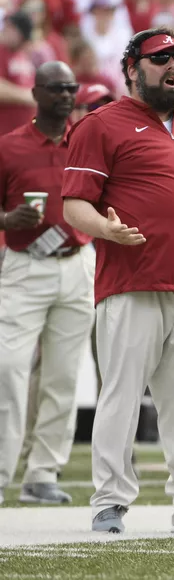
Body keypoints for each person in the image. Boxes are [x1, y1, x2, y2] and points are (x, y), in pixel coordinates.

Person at [61, 27, 174, 536]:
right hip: (130, 284)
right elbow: (74, 203)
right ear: (131, 68)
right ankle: (110, 502)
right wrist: (106, 230)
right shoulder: (101, 124)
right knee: (121, 398)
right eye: (160, 58)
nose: (173, 67)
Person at [0, 61, 94, 507]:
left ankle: (42, 472)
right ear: (35, 93)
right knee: (8, 369)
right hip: (23, 266)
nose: (66, 95)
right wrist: (5, 219)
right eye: (56, 88)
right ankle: (2, 470)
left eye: (71, 87)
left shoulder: (88, 142)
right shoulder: (9, 147)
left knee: (63, 375)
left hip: (78, 263)